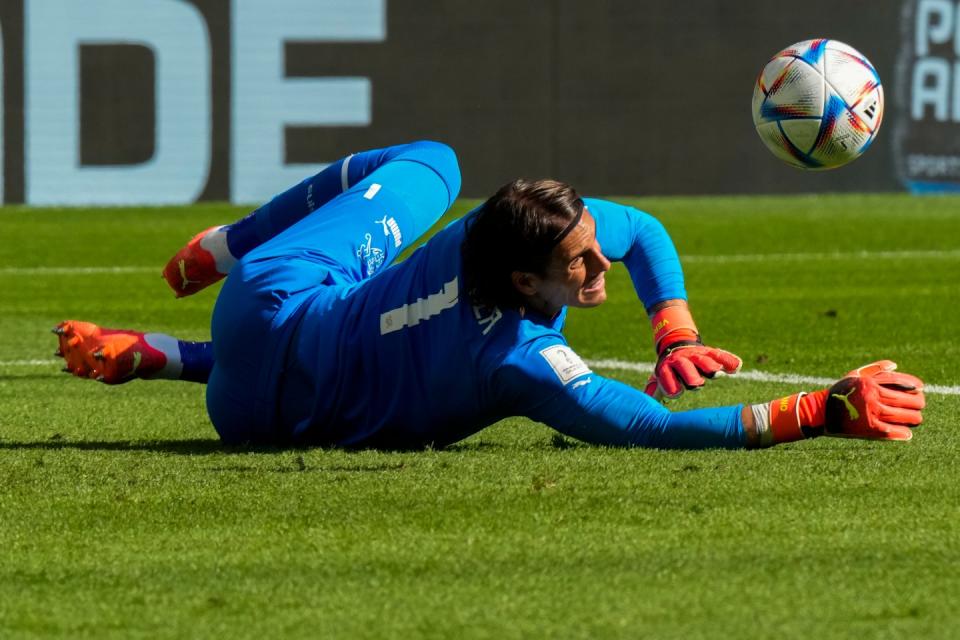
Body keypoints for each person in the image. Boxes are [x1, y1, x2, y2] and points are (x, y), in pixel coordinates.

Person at [53, 141, 925, 449]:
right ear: (524, 282)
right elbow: (652, 427)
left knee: (431, 162)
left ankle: (212, 273)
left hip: (265, 313)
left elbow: (642, 232)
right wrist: (815, 411)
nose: (601, 270)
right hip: (248, 416)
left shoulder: (500, 227)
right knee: (344, 347)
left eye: (593, 252)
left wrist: (674, 334)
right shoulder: (516, 360)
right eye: (582, 266)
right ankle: (182, 335)